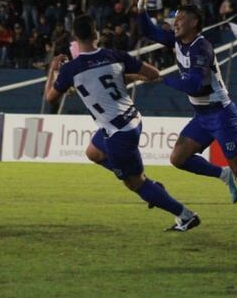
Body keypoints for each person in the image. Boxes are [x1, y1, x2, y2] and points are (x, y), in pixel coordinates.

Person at [137, 0, 237, 229]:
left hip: (221, 114)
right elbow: (148, 32)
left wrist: (161, 79)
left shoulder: (201, 48)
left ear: (194, 22)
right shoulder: (177, 41)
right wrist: (142, 8)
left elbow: (197, 86)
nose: (176, 22)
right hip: (203, 116)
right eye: (175, 18)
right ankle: (222, 174)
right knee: (178, 158)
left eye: (181, 18)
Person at [44, 14, 201, 231]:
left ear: (74, 36)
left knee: (135, 183)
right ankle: (148, 184)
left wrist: (52, 71)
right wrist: (132, 76)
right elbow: (153, 74)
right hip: (131, 120)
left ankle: (185, 215)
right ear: (96, 33)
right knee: (93, 152)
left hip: (118, 133)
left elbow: (50, 98)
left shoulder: (71, 69)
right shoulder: (114, 55)